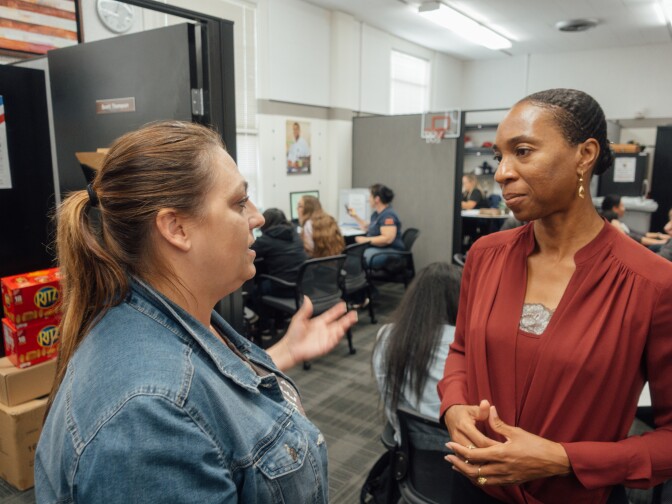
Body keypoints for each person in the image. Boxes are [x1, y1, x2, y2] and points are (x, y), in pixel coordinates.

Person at [35, 121, 357, 503]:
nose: (257, 218)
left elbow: (211, 401)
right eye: (239, 203)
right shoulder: (147, 420)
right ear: (176, 228)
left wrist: (282, 353)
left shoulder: (175, 321)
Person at [438, 89, 672, 504]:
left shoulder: (652, 284)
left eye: (523, 152)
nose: (501, 172)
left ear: (585, 155)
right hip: (474, 485)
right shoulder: (485, 256)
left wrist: (564, 458)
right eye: (499, 157)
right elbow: (460, 351)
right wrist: (454, 407)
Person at [372, 262, 461, 444]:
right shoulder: (466, 344)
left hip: (409, 448)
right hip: (465, 454)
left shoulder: (388, 335)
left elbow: (388, 395)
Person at [348, 183, 405, 268]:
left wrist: (366, 240)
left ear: (377, 199)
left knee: (359, 258)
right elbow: (368, 226)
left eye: (370, 196)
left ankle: (360, 280)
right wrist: (355, 216)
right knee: (352, 255)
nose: (368, 199)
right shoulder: (377, 214)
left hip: (390, 250)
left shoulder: (388, 215)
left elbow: (387, 239)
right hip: (379, 248)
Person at [600, 194, 670, 249]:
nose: (624, 209)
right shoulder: (613, 222)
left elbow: (635, 233)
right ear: (615, 208)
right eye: (622, 206)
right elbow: (630, 237)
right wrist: (660, 242)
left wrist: (658, 235)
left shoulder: (613, 221)